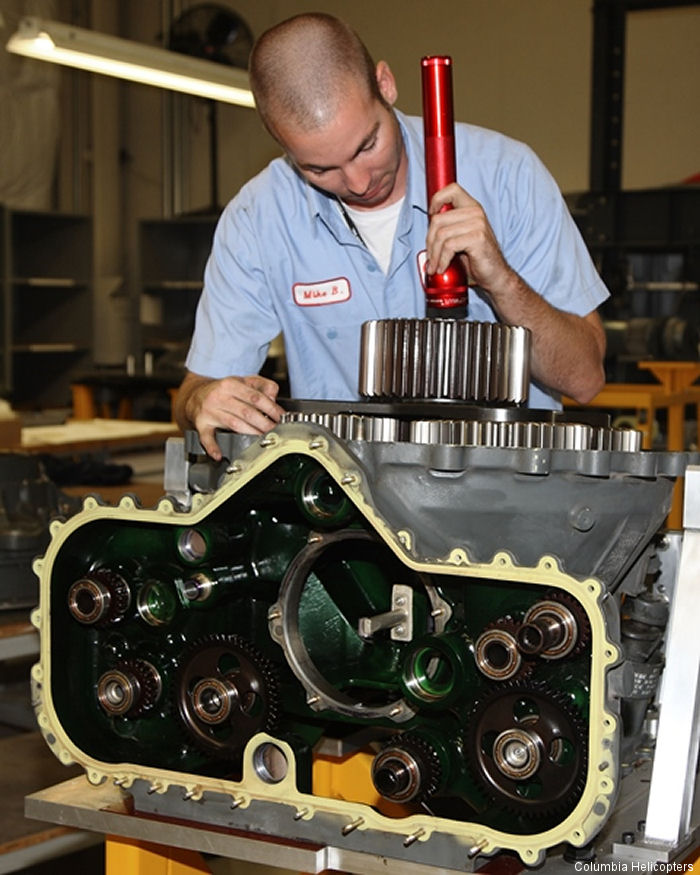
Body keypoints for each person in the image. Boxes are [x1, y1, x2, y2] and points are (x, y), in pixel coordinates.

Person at [175, 12, 608, 460]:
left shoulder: (507, 177)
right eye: (319, 168)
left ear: (385, 84)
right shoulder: (258, 218)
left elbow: (586, 379)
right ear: (280, 142)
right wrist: (203, 402)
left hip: (502, 504)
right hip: (348, 510)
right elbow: (195, 392)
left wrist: (502, 282)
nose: (359, 182)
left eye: (367, 145)